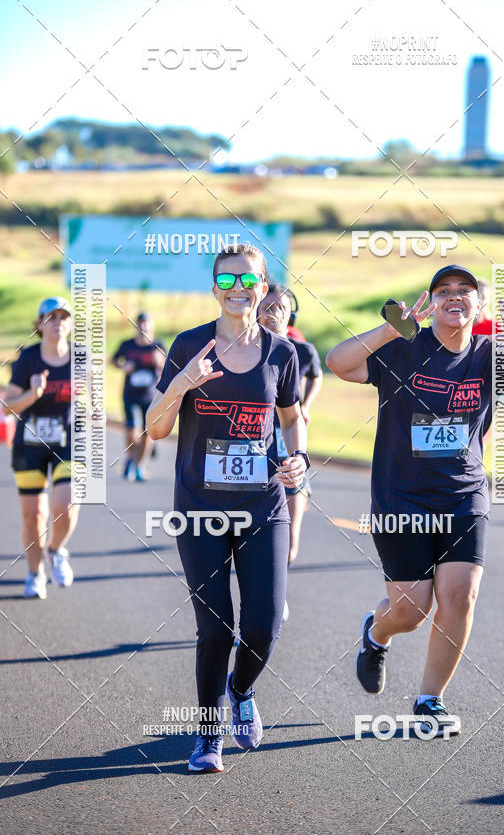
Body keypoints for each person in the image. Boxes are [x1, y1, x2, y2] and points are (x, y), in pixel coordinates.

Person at [326, 264, 504, 735]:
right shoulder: (403, 347)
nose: (455, 297)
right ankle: (375, 636)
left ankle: (429, 700)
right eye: (444, 290)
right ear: (431, 301)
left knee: (459, 595)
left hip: (464, 496)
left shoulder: (491, 355)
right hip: (402, 497)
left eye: (465, 291)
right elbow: (339, 362)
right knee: (412, 611)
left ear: (479, 305)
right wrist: (390, 328)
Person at [147, 243, 309, 773]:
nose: (238, 290)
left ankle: (241, 689)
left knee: (262, 628)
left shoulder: (281, 354)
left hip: (264, 504)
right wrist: (181, 384)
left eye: (249, 281)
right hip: (199, 507)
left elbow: (291, 418)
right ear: (214, 287)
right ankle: (208, 738)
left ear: (263, 288)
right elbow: (156, 427)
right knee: (216, 627)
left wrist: (299, 457)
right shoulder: (190, 345)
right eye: (228, 280)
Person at [4, 297, 80, 599]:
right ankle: (35, 573)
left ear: (71, 324)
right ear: (39, 324)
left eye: (64, 317)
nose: (58, 322)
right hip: (29, 444)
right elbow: (8, 406)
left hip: (68, 442)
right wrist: (33, 394)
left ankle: (56, 550)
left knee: (67, 505)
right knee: (33, 515)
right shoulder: (28, 359)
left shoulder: (81, 358)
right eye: (51, 317)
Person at [258, 284, 322, 565]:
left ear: (290, 316)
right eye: (266, 307)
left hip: (289, 447)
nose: (272, 314)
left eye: (279, 308)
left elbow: (317, 376)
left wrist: (305, 405)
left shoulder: (303, 351)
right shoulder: (243, 350)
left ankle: (275, 595)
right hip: (254, 451)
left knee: (289, 541)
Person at [111, 313, 165, 481]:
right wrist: (123, 366)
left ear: (152, 326)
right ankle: (130, 458)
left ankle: (140, 466)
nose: (143, 327)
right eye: (140, 323)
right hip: (131, 394)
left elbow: (170, 366)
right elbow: (113, 360)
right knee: (132, 429)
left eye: (146, 323)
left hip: (151, 396)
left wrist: (160, 362)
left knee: (148, 432)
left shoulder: (158, 345)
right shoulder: (127, 345)